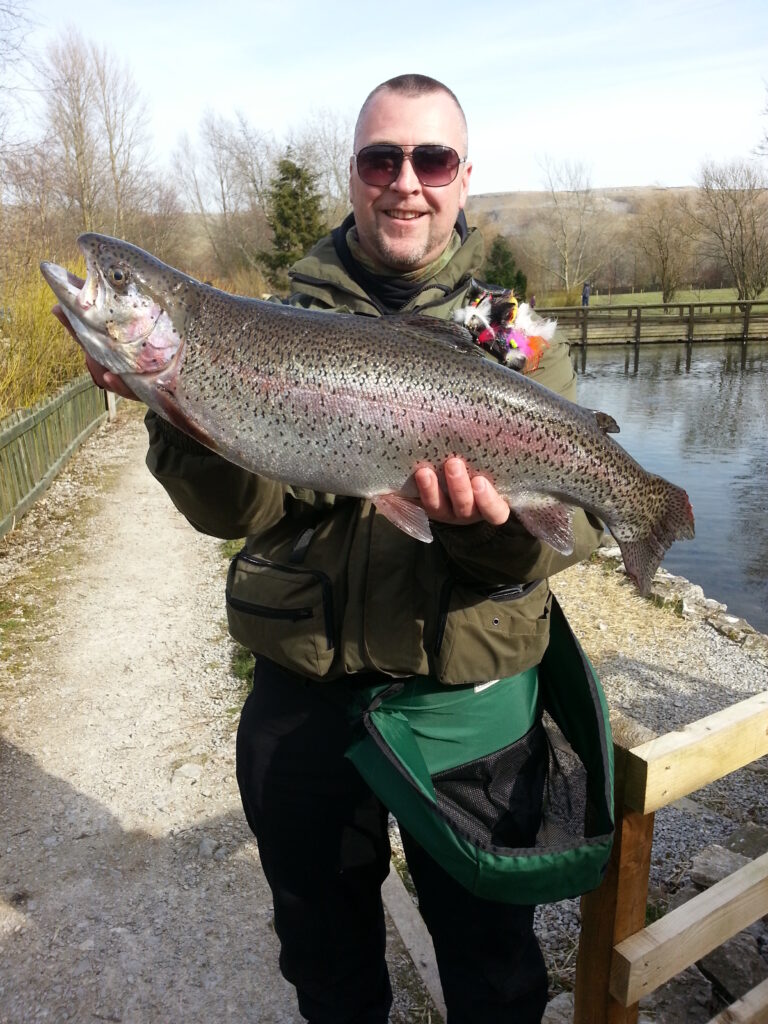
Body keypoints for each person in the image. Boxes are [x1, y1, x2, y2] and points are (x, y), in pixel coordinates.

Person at [74, 74, 604, 1024]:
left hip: (469, 707)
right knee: (326, 963)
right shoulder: (272, 323)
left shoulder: (523, 345)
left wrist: (476, 527)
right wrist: (175, 414)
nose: (407, 180)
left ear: (464, 179)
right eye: (381, 158)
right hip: (304, 701)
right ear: (353, 176)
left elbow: (552, 550)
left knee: (493, 971)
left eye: (431, 158)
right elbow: (236, 512)